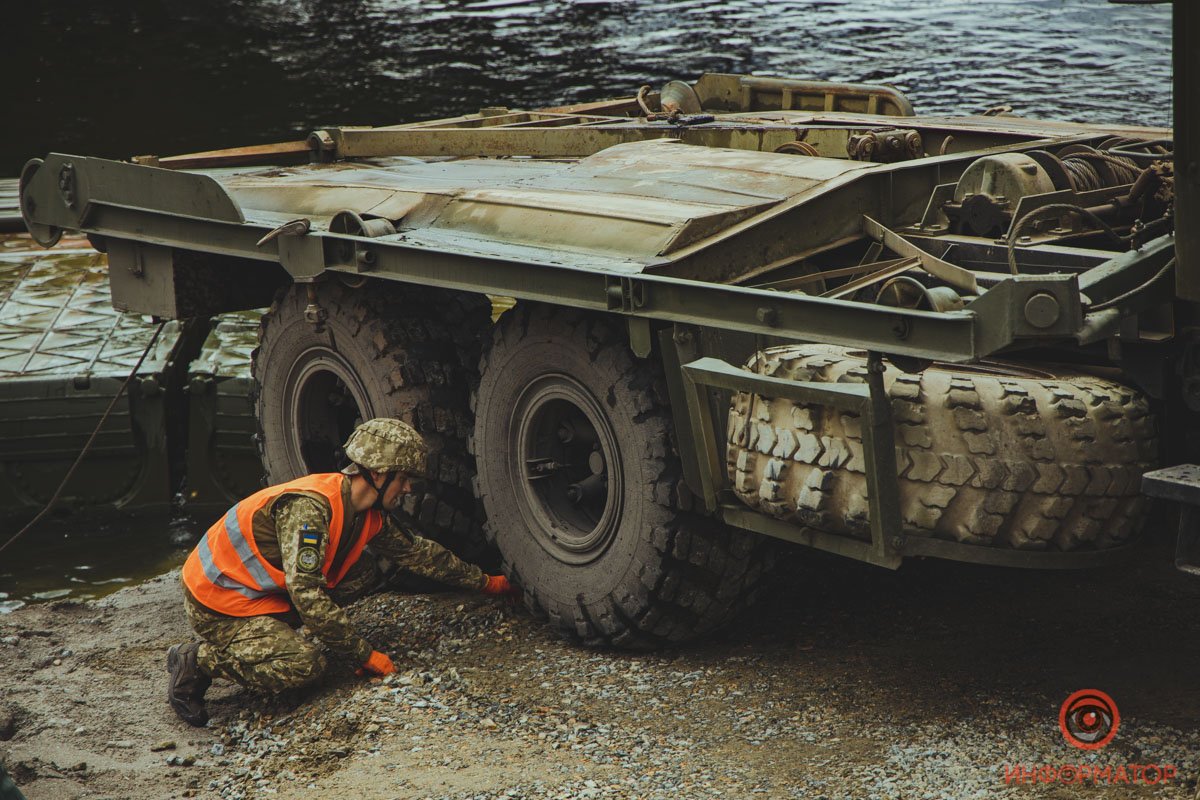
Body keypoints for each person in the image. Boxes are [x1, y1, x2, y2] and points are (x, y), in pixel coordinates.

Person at [166, 417, 515, 727]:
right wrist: (362, 654)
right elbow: (307, 593)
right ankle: (197, 660)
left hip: (259, 593)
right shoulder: (310, 510)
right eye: (404, 478)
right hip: (219, 603)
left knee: (361, 575)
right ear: (377, 474)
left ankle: (272, 632)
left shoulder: (366, 512)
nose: (408, 488)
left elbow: (418, 553)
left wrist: (486, 583)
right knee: (305, 666)